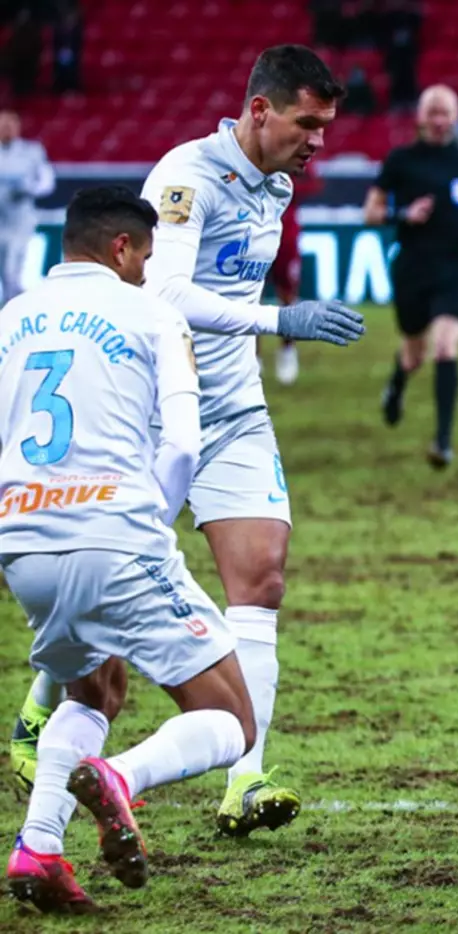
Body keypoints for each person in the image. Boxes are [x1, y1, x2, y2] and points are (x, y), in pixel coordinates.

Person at [5, 47, 365, 833]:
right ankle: (41, 707)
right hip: (152, 415)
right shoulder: (186, 177)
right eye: (307, 123)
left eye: (325, 126)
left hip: (232, 408)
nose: (318, 141)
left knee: (262, 579)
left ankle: (246, 781)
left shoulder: (276, 185)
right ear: (260, 111)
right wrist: (279, 319)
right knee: (108, 587)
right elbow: (163, 291)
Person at [0, 187, 257, 913]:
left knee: (94, 691)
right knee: (232, 721)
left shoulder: (11, 317)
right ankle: (122, 778)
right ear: (121, 248)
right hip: (116, 532)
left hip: (22, 539)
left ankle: (38, 849)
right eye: (144, 256)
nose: (147, 271)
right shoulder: (152, 313)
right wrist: (150, 525)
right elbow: (182, 442)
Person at [365, 84, 458, 468]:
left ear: (455, 117)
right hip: (413, 268)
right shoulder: (401, 161)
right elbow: (371, 212)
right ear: (420, 117)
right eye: (432, 112)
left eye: (444, 113)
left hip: (454, 266)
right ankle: (397, 384)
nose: (438, 120)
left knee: (446, 347)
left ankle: (443, 441)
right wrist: (404, 214)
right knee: (414, 356)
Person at [267, 160, 323, 385]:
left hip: (286, 233)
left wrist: (289, 184)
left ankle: (287, 350)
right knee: (250, 294)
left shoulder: (294, 152)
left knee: (287, 295)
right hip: (254, 229)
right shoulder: (252, 153)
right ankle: (252, 356)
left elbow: (314, 183)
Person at [0, 110, 54, 303]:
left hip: (19, 220)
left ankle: (12, 304)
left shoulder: (31, 152)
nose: (7, 129)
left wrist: (29, 189)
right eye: (3, 124)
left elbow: (47, 182)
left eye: (10, 125)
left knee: (12, 267)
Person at [51, 5, 83, 93]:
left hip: (73, 59)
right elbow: (55, 45)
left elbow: (78, 46)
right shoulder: (58, 31)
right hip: (59, 59)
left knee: (72, 67)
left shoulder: (77, 32)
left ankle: (72, 88)